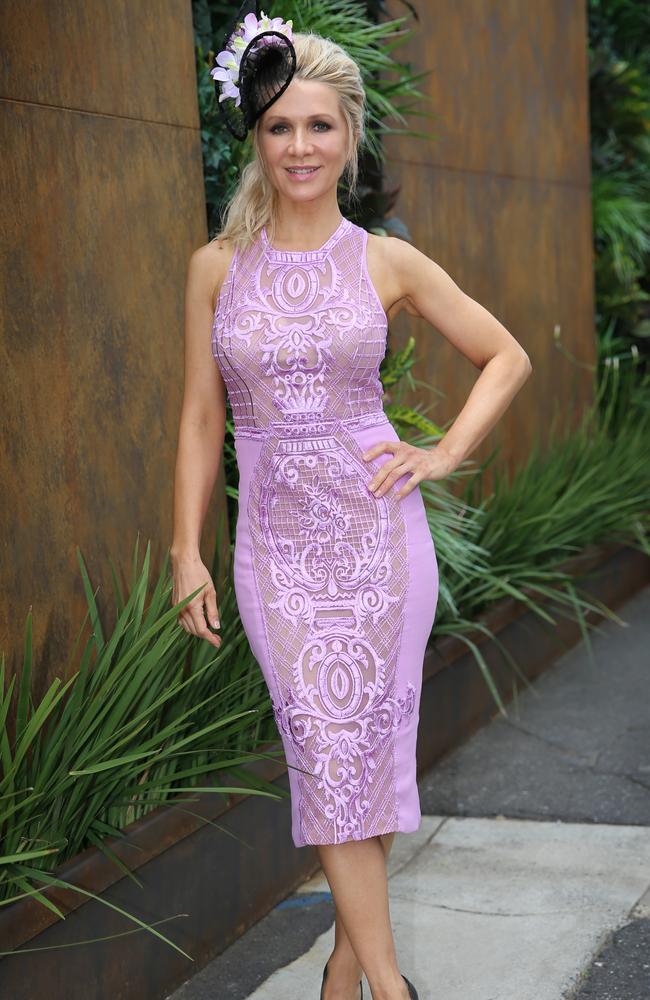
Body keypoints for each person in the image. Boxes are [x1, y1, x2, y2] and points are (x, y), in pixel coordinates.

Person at [171, 4, 532, 998]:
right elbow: (202, 422)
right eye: (280, 124)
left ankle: (358, 973)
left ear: (349, 136)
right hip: (276, 553)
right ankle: (383, 977)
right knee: (320, 745)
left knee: (355, 754)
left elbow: (505, 355)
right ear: (255, 134)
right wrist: (184, 549)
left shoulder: (385, 262)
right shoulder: (215, 269)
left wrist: (442, 452)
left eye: (318, 125)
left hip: (379, 543)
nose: (299, 145)